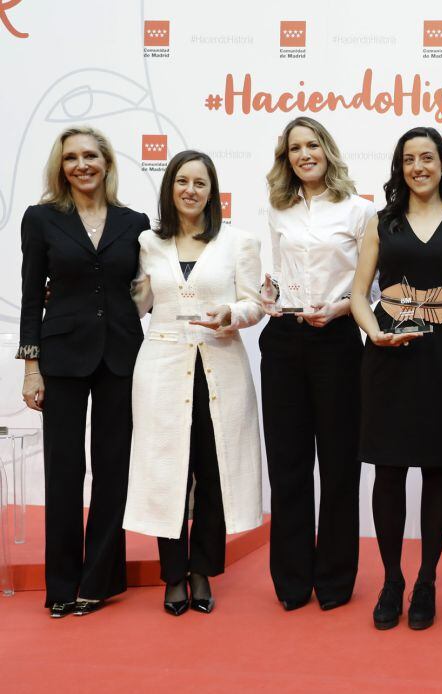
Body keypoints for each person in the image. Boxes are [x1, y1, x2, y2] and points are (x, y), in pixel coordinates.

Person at [123, 150, 264, 615]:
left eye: (200, 183)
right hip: (161, 366)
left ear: (212, 191)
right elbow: (138, 301)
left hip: (219, 365)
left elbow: (254, 303)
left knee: (212, 471)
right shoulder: (147, 242)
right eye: (182, 181)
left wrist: (233, 314)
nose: (190, 190)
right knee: (168, 471)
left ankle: (202, 570)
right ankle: (172, 575)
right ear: (170, 188)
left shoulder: (237, 242)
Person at [18, 126, 150, 618]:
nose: (82, 165)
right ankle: (62, 586)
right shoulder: (41, 219)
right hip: (62, 359)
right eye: (71, 157)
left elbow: (144, 288)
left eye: (90, 155)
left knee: (114, 470)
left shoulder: (134, 221)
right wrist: (32, 368)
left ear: (107, 162)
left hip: (120, 356)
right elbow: (33, 295)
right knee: (65, 472)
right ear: (61, 166)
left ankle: (99, 579)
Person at [351, 127, 442, 631]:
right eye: (409, 159)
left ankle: (426, 579)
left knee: (436, 469)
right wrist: (374, 334)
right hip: (385, 356)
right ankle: (391, 581)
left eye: (428, 157)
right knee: (387, 471)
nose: (419, 167)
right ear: (399, 168)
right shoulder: (381, 223)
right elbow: (360, 294)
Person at [260, 116, 376, 612]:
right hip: (284, 339)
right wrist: (269, 294)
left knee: (338, 464)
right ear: (285, 158)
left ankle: (333, 578)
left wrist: (339, 308)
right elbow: (278, 274)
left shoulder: (360, 211)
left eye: (311, 145)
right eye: (294, 149)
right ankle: (291, 580)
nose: (304, 154)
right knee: (287, 466)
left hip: (338, 341)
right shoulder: (278, 209)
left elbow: (368, 289)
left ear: (327, 150)